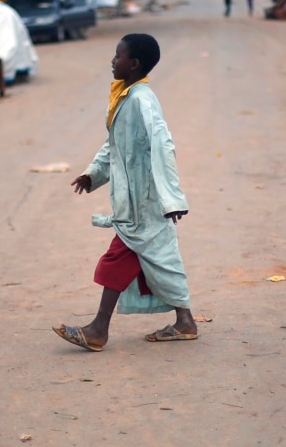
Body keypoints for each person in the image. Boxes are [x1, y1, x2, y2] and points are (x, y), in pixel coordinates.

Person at [53, 34, 197, 352]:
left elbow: (162, 144)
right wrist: (93, 174)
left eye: (118, 56)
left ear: (133, 64)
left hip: (144, 202)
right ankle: (184, 321)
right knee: (161, 259)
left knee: (118, 260)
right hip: (134, 202)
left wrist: (172, 197)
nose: (112, 60)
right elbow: (115, 144)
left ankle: (97, 330)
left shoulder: (141, 100)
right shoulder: (126, 97)